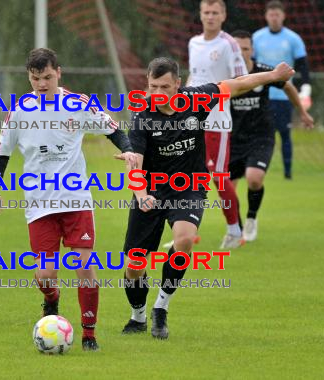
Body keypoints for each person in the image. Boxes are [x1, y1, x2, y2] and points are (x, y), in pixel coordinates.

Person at [118, 57, 296, 339]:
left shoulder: (196, 98)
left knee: (185, 240)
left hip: (188, 186)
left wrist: (273, 75)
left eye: (165, 87)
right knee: (134, 266)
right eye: (153, 86)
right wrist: (141, 194)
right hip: (151, 191)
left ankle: (160, 308)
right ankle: (137, 315)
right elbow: (135, 161)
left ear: (178, 84)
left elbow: (237, 84)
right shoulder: (142, 116)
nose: (159, 93)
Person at [0, 48, 136, 351]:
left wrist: (129, 149)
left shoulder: (77, 104)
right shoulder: (19, 111)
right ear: (29, 77)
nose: (42, 84)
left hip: (76, 200)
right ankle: (51, 298)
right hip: (39, 205)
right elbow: (1, 154)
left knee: (85, 266)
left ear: (59, 73)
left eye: (47, 77)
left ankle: (89, 333)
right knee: (45, 274)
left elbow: (113, 129)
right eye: (35, 78)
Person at [230, 30, 313, 241]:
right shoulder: (224, 73)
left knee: (254, 178)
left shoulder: (263, 72)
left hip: (261, 135)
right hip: (232, 138)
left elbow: (288, 86)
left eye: (246, 48)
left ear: (252, 50)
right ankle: (236, 229)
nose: (241, 52)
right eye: (237, 49)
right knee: (228, 189)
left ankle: (251, 218)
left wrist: (302, 112)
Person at [187, 0, 249, 249]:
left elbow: (241, 81)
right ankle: (187, 232)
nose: (210, 17)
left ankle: (235, 230)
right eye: (206, 12)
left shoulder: (228, 44)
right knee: (188, 177)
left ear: (223, 15)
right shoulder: (193, 42)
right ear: (200, 15)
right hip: (191, 122)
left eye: (215, 12)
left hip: (216, 122)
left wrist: (213, 98)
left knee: (219, 177)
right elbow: (195, 76)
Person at [253, 0, 312, 179]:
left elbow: (303, 67)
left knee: (285, 134)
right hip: (262, 96)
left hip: (284, 95)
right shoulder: (257, 37)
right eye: (271, 15)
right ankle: (257, 168)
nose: (274, 18)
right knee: (260, 135)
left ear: (283, 16)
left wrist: (306, 89)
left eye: (277, 15)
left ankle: (287, 173)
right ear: (266, 16)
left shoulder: (293, 39)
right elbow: (250, 65)